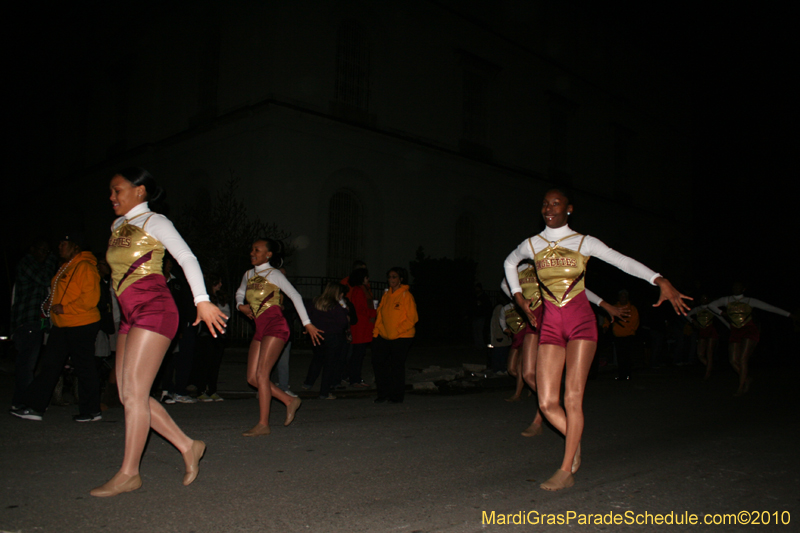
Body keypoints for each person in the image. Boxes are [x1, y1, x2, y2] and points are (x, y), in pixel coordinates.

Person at [503, 188, 690, 491]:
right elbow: (509, 263)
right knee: (547, 402)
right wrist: (519, 298)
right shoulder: (531, 245)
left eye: (556, 203)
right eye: (545, 204)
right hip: (550, 326)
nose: (549, 208)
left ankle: (565, 470)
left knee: (571, 398)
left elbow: (623, 262)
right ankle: (574, 443)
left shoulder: (583, 242)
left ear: (569, 209)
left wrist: (660, 280)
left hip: (581, 326)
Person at [89, 167, 227, 497]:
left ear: (140, 191)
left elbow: (186, 258)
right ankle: (187, 444)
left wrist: (202, 301)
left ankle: (129, 473)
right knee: (127, 395)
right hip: (129, 314)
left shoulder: (156, 222)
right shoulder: (117, 225)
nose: (111, 196)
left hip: (156, 308)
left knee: (135, 394)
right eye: (110, 190)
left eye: (117, 190)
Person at [12, 233, 103, 423]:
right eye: (60, 243)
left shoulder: (85, 266)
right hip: (63, 325)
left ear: (76, 246)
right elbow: (63, 292)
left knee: (84, 367)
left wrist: (65, 308)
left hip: (82, 324)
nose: (59, 246)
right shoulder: (65, 267)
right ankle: (34, 407)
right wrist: (50, 303)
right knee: (50, 366)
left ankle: (92, 410)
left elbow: (90, 299)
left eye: (64, 243)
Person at [235, 238, 322, 436]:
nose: (252, 252)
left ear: (268, 254)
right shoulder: (248, 274)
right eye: (251, 249)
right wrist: (240, 305)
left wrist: (307, 323)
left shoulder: (273, 274)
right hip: (260, 328)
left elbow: (295, 296)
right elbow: (240, 292)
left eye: (257, 249)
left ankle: (263, 424)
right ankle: (289, 400)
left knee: (262, 375)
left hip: (275, 325)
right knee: (252, 377)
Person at [708, 282, 796, 395]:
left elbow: (770, 308)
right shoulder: (727, 300)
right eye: (734, 286)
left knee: (743, 359)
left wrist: (790, 315)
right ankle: (746, 378)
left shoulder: (749, 301)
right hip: (735, 330)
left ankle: (741, 386)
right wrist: (722, 313)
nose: (736, 288)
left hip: (749, 330)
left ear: (743, 289)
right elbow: (711, 305)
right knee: (733, 360)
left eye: (738, 286)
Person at [9, 238, 55, 410]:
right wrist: (51, 260)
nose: (45, 254)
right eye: (42, 250)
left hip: (35, 322)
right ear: (32, 249)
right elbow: (45, 279)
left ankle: (20, 401)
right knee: (26, 364)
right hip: (26, 321)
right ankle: (24, 402)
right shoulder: (27, 264)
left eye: (47, 251)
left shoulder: (37, 265)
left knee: (28, 363)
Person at [372, 267, 418, 404]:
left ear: (400, 279)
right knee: (379, 363)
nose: (391, 280)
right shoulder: (386, 295)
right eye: (389, 277)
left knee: (396, 366)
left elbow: (412, 318)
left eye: (394, 277)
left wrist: (397, 331)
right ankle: (383, 394)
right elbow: (380, 315)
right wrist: (376, 332)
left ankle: (396, 396)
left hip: (402, 337)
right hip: (384, 336)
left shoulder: (406, 295)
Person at [303, 282, 354, 399]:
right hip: (333, 337)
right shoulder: (335, 306)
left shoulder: (315, 301)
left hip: (317, 335)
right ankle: (324, 392)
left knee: (318, 358)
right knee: (330, 364)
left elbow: (306, 314)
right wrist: (345, 309)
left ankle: (308, 383)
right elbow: (343, 322)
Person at [196, 273, 230, 401]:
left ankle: (212, 390)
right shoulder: (205, 298)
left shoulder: (221, 297)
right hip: (207, 334)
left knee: (215, 364)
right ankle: (201, 390)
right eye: (218, 282)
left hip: (220, 334)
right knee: (204, 363)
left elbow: (226, 314)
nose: (221, 285)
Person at [345, 268, 376, 387]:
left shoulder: (364, 290)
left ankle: (355, 378)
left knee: (359, 354)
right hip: (360, 328)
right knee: (358, 355)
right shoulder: (359, 290)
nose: (368, 279)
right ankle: (355, 379)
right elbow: (360, 308)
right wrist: (373, 313)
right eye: (366, 277)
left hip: (363, 326)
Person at [686, 294, 726, 380]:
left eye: (705, 298)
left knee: (709, 352)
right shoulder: (697, 309)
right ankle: (710, 367)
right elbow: (687, 315)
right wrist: (693, 321)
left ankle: (707, 373)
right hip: (702, 331)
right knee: (700, 354)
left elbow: (721, 318)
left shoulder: (711, 308)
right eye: (702, 298)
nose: (704, 300)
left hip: (711, 331)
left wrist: (730, 327)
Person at [612, 290, 639, 381]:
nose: (623, 298)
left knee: (628, 356)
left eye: (624, 296)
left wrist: (631, 329)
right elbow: (608, 318)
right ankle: (621, 375)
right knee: (620, 357)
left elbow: (636, 321)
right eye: (621, 296)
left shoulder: (632, 308)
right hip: (618, 335)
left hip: (628, 335)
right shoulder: (615, 307)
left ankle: (628, 374)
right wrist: (605, 326)